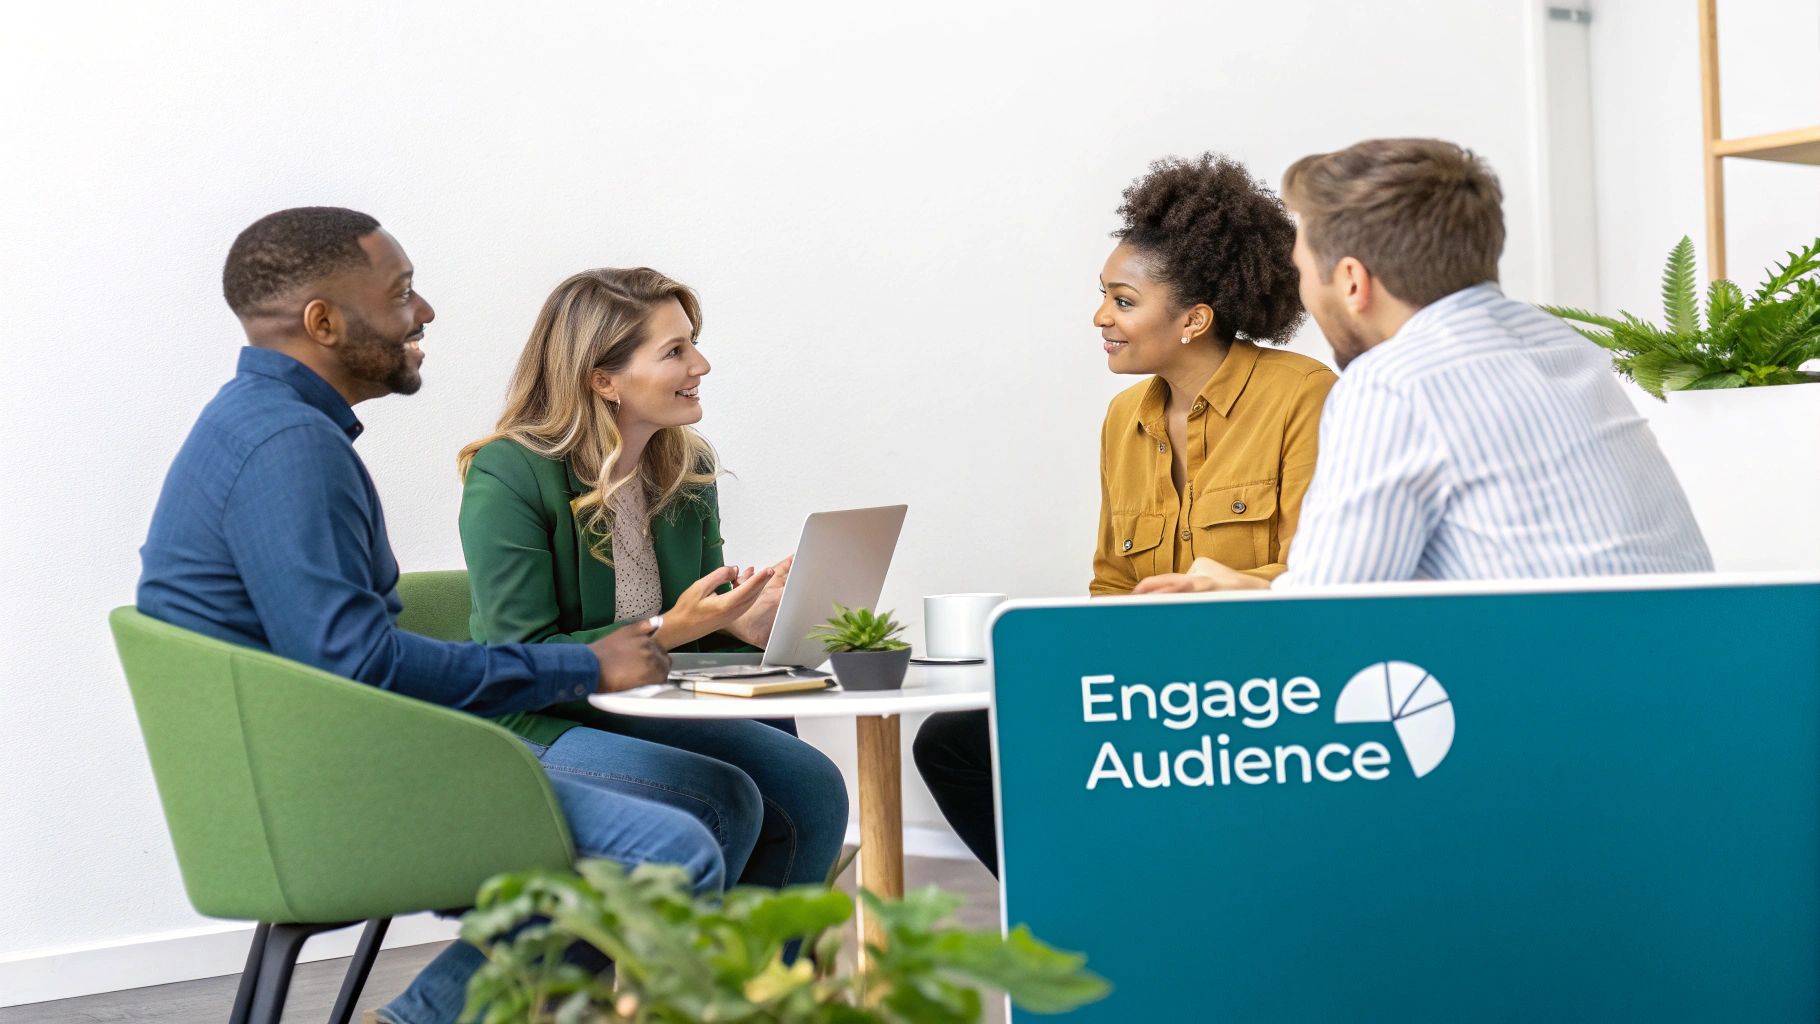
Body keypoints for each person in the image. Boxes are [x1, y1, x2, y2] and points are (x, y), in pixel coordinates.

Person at [135, 208, 719, 1024]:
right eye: (403, 292)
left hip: (306, 771)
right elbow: (361, 667)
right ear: (323, 321)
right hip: (318, 799)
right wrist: (586, 663)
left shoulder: (268, 426)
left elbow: (346, 659)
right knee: (671, 846)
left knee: (694, 816)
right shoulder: (287, 448)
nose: (426, 312)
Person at [915, 154, 1336, 876]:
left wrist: (1209, 592)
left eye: (1123, 300)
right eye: (1104, 297)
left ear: (1194, 319)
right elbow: (1111, 581)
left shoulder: (1302, 394)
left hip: (1262, 686)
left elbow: (1320, 573)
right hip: (1148, 682)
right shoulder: (1123, 419)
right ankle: (1070, 904)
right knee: (952, 740)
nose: (1100, 318)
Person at [1133, 138, 1712, 596]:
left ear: (1353, 281)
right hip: (1685, 689)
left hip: (1563, 716)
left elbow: (1331, 620)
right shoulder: (1560, 344)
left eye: (1303, 269)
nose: (1304, 292)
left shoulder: (1394, 384)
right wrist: (1260, 588)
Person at [455, 267, 848, 904]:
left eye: (692, 342)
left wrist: (741, 622)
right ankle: (677, 992)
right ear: (602, 378)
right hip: (533, 721)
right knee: (722, 801)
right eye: (675, 351)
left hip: (642, 707)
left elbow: (691, 635)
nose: (702, 364)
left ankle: (764, 994)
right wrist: (678, 625)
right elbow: (519, 656)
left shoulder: (686, 467)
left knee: (812, 786)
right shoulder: (510, 473)